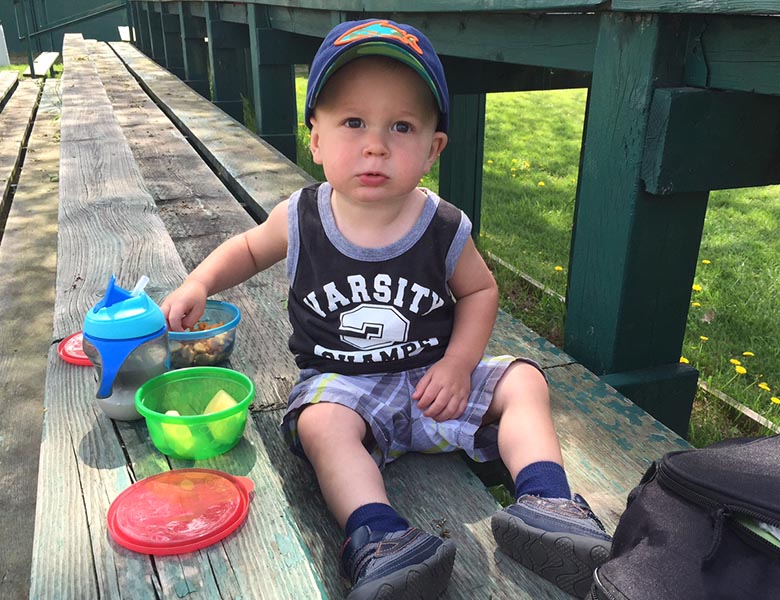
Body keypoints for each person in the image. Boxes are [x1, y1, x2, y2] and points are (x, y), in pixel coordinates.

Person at [162, 18, 612, 600]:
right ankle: (378, 539)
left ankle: (547, 503)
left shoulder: (442, 225)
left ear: (433, 147)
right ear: (316, 138)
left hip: (434, 382)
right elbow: (248, 249)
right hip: (346, 386)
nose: (375, 144)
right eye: (353, 122)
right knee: (321, 422)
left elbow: (480, 292)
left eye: (401, 126)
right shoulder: (300, 217)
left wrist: (457, 364)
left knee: (524, 380)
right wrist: (200, 281)